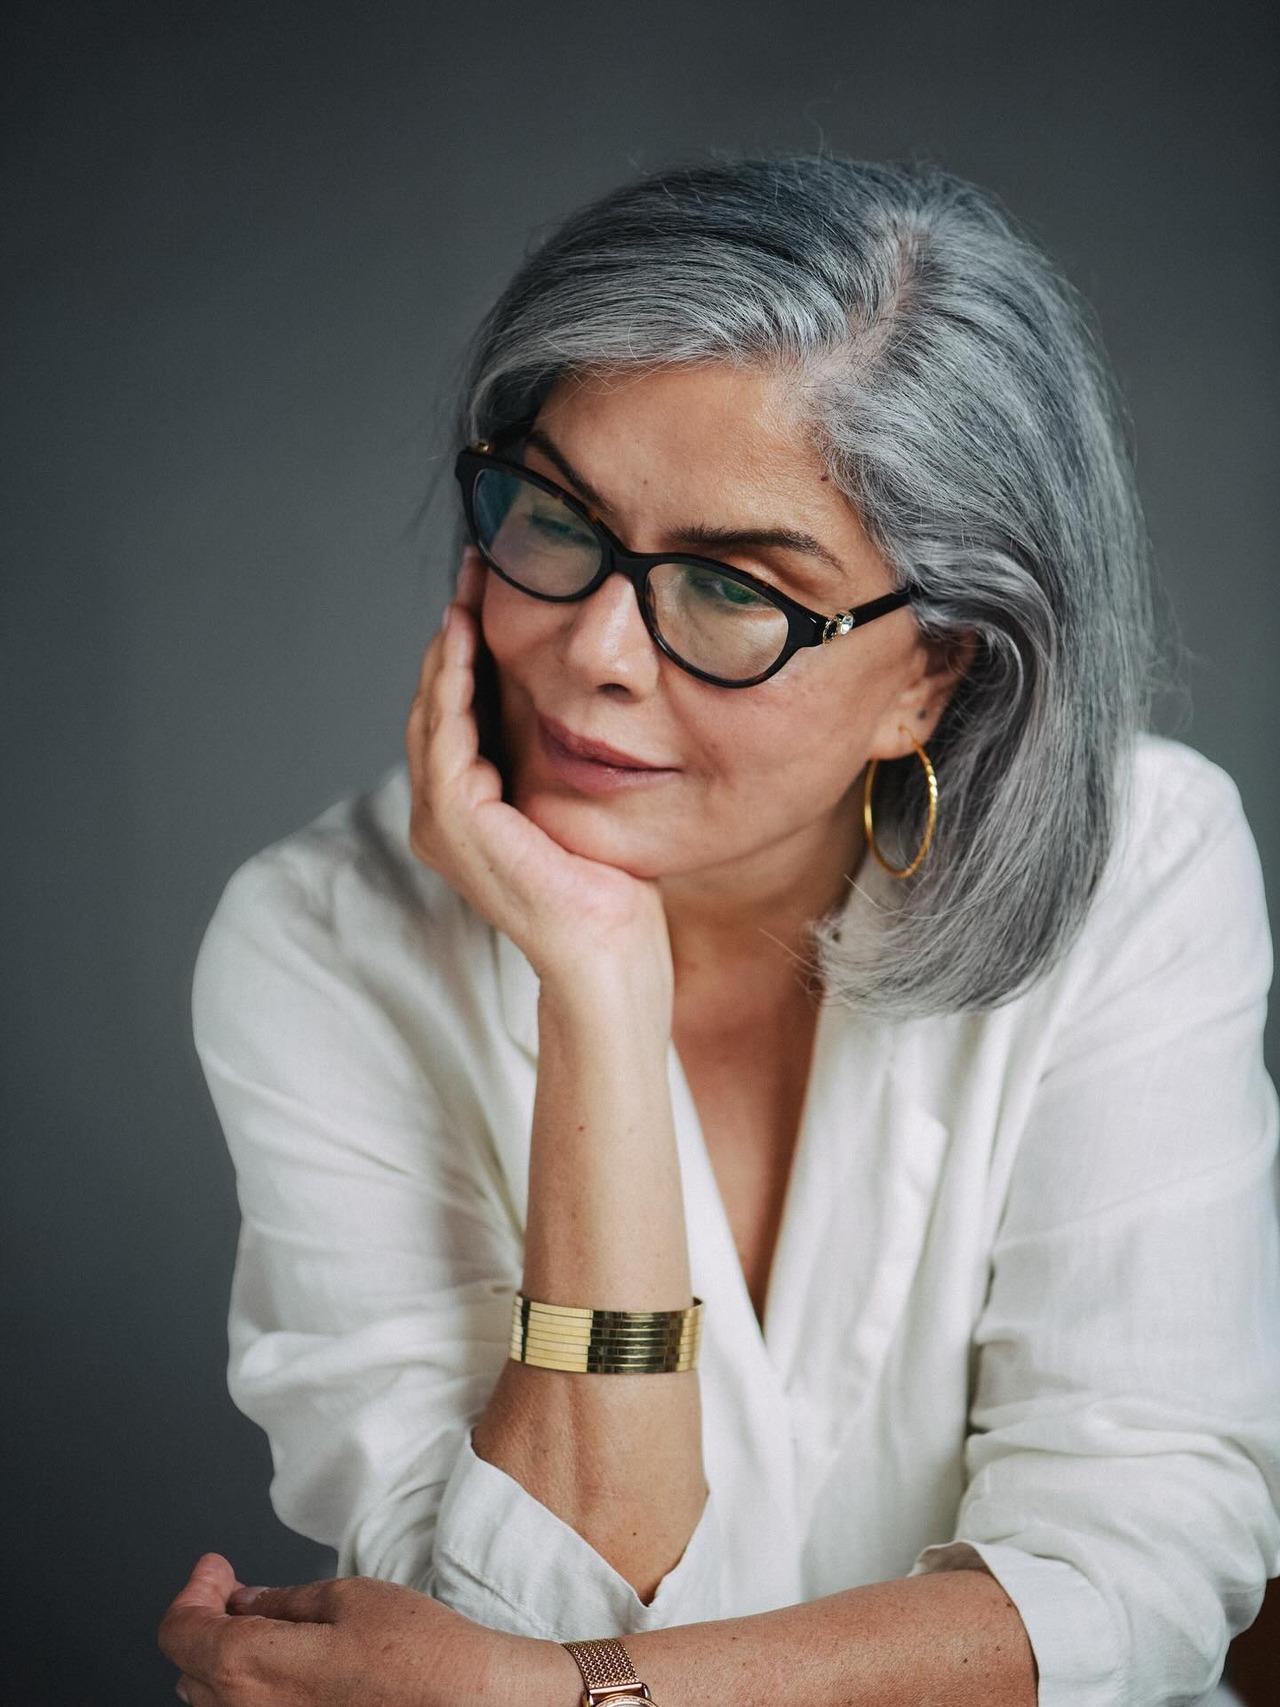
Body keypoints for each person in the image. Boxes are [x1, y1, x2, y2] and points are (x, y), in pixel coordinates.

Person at [159, 152, 1280, 1706]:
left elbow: (1141, 1577)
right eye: (555, 516)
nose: (595, 649)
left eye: (731, 590)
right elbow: (487, 1601)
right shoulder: (319, 940)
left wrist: (568, 1698)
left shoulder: (1142, 868)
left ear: (934, 671)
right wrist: (600, 992)